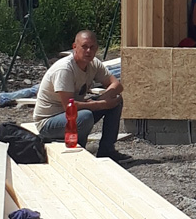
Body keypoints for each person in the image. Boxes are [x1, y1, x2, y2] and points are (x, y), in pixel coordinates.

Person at [33, 30, 128, 161]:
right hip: (49, 122)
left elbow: (117, 85)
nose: (88, 51)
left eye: (92, 47)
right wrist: (101, 104)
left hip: (72, 114)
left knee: (115, 101)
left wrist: (105, 98)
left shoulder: (93, 64)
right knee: (85, 117)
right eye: (84, 47)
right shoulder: (65, 69)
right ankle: (79, 150)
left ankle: (107, 150)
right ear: (75, 47)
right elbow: (68, 106)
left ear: (96, 49)